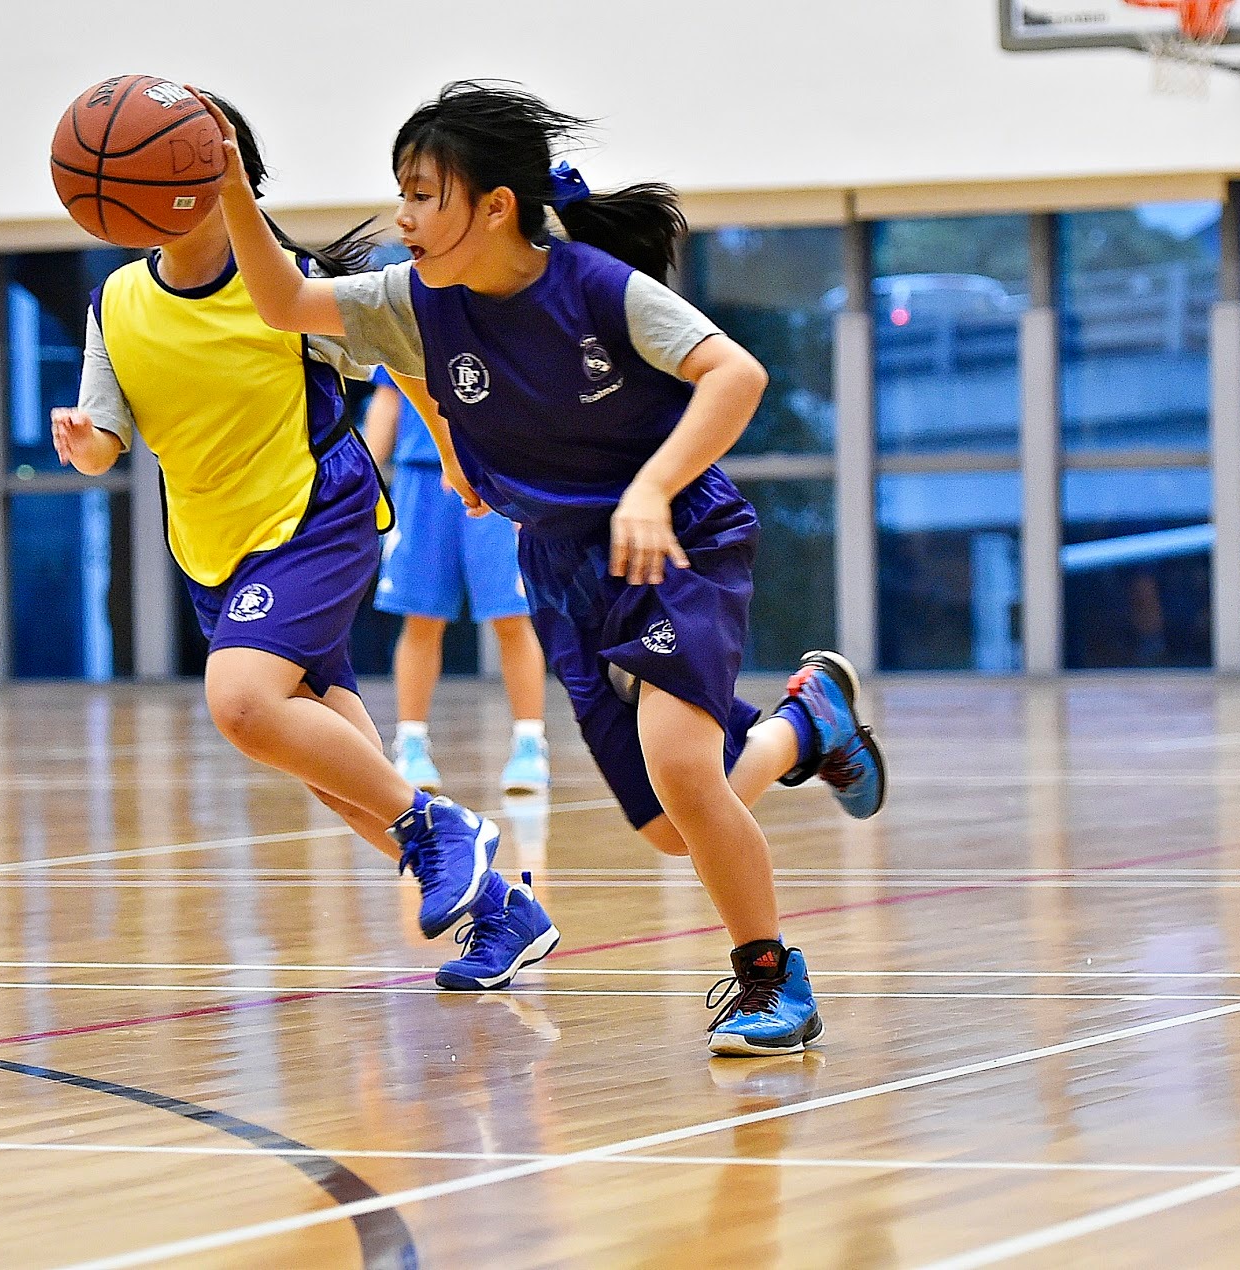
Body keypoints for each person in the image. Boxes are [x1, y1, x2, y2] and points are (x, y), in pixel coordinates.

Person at [202, 81, 888, 1054]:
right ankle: (806, 722)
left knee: (682, 771)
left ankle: (773, 982)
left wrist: (651, 487)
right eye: (400, 194)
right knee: (670, 822)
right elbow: (282, 302)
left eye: (423, 194)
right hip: (562, 563)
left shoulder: (597, 288)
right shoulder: (415, 299)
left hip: (674, 536)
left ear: (495, 206)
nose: (403, 217)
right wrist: (231, 184)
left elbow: (736, 374)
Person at [51, 93, 559, 991]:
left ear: (219, 177)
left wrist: (452, 455)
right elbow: (106, 440)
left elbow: (402, 359)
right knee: (342, 776)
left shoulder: (287, 283)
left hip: (316, 518)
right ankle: (504, 912)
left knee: (242, 704)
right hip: (215, 552)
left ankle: (444, 830)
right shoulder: (116, 302)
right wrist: (84, 443)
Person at [360, 363, 550, 796]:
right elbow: (387, 400)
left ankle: (529, 743)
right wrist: (364, 482)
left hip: (496, 478)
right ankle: (410, 744)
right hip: (422, 477)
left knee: (511, 617)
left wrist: (533, 478)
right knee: (420, 619)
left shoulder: (504, 326)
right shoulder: (403, 326)